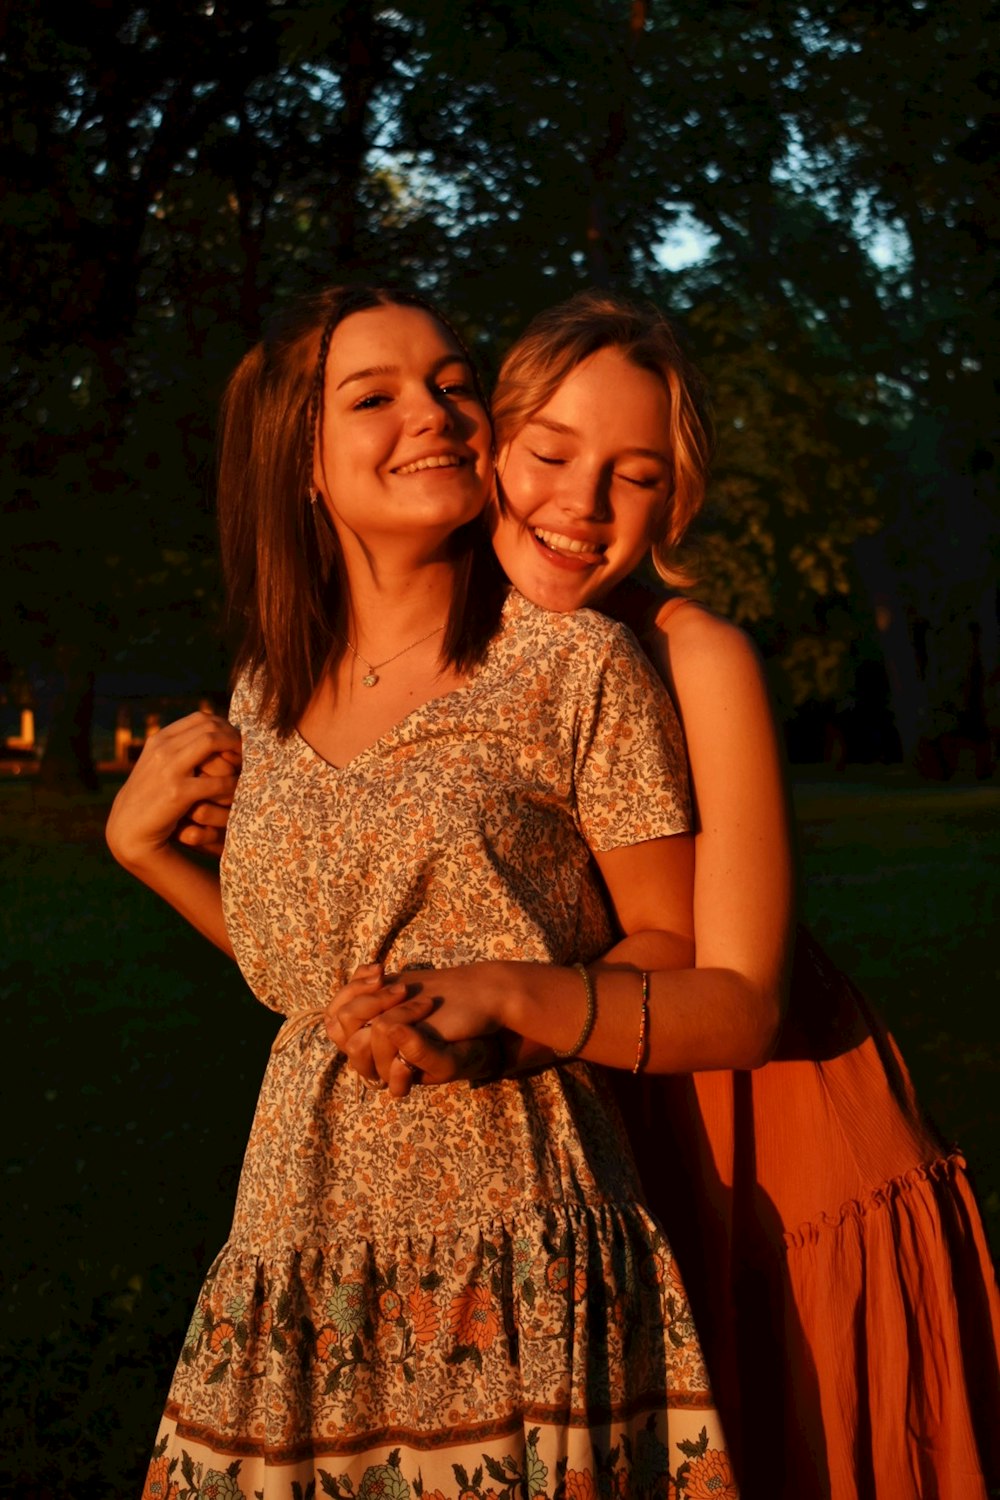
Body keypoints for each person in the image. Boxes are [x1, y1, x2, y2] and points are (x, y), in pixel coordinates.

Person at [166, 290, 1000, 1497]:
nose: (580, 504)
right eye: (549, 453)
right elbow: (328, 971)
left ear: (674, 500)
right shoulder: (359, 668)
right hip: (581, 1095)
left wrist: (502, 991)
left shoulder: (672, 653)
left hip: (768, 1122)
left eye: (637, 476)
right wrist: (163, 852)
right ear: (495, 448)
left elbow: (740, 993)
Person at [106, 285, 736, 1499]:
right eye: (375, 396)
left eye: (453, 383)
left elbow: (679, 944)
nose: (436, 414)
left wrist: (505, 1014)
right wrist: (151, 856)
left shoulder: (570, 662)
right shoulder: (264, 692)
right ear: (303, 460)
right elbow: (305, 979)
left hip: (518, 1233)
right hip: (299, 1246)